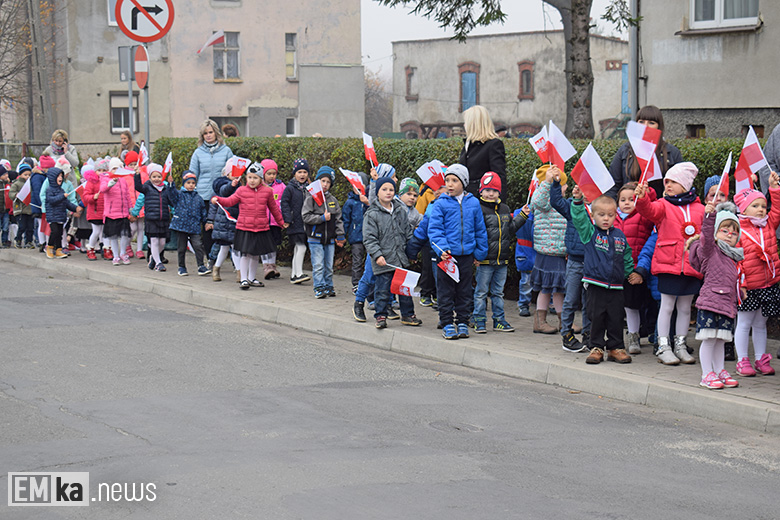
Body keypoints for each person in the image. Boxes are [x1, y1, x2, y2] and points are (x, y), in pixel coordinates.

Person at [635, 162, 704, 365]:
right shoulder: (664, 205)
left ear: (685, 184)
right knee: (666, 306)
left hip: (691, 266)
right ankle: (663, 346)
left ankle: (680, 344)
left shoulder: (700, 209)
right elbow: (648, 210)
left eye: (674, 181)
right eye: (667, 182)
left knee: (684, 308)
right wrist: (642, 196)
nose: (668, 185)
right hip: (667, 264)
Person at [571, 193, 635, 364]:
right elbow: (578, 219)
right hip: (595, 284)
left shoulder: (619, 235)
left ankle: (616, 348)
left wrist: (627, 273)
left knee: (616, 317)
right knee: (596, 317)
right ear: (592, 215)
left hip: (616, 286)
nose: (606, 219)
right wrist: (577, 201)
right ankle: (596, 347)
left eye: (610, 215)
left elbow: (627, 255)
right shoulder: (589, 233)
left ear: (616, 215)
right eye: (601, 215)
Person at [427, 164, 488, 340]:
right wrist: (442, 249)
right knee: (446, 291)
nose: (450, 184)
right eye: (447, 180)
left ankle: (462, 321)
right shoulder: (440, 203)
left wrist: (479, 253)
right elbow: (435, 229)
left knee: (464, 290)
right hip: (447, 256)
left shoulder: (474, 203)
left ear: (464, 182)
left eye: (454, 180)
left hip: (466, 256)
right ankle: (446, 323)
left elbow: (480, 229)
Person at [687, 201, 743, 389]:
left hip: (727, 304)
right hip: (710, 302)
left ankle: (719, 370)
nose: (729, 235)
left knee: (721, 340)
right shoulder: (711, 251)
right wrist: (709, 217)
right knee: (709, 340)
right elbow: (706, 239)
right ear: (716, 232)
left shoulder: (733, 256)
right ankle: (706, 374)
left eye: (734, 232)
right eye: (725, 230)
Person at [211, 162, 286, 290]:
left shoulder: (267, 192)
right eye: (250, 177)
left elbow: (274, 208)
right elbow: (230, 201)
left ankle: (252, 278)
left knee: (255, 255)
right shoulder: (241, 190)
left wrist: (281, 222)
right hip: (245, 227)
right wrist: (218, 199)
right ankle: (243, 279)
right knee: (245, 254)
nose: (252, 181)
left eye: (255, 178)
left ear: (261, 179)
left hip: (261, 228)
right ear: (246, 178)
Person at [732, 181, 780, 377]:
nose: (761, 210)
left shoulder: (768, 223)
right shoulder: (737, 229)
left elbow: (776, 209)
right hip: (748, 286)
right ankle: (742, 359)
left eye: (762, 206)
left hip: (767, 284)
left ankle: (761, 358)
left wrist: (774, 190)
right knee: (744, 323)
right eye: (755, 206)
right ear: (744, 208)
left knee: (761, 323)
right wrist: (741, 283)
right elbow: (736, 259)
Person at [472, 172, 528, 333]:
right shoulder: (478, 209)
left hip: (501, 260)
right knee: (481, 293)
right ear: (481, 191)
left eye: (495, 190)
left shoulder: (504, 208)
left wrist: (522, 216)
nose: (491, 194)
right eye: (488, 190)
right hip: (484, 261)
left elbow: (509, 230)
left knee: (498, 293)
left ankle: (499, 320)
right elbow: (475, 233)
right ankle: (479, 320)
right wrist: (476, 254)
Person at [362, 177, 421, 329]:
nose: (388, 193)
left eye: (391, 190)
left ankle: (407, 314)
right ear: (378, 192)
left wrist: (412, 251)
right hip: (384, 260)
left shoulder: (400, 211)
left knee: (404, 289)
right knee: (382, 290)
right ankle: (381, 315)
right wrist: (377, 255)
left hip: (401, 258)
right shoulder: (372, 214)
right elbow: (369, 238)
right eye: (384, 189)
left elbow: (407, 233)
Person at [549, 171, 590, 351]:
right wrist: (556, 184)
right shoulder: (573, 206)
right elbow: (556, 202)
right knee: (571, 299)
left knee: (589, 301)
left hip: (593, 263)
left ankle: (589, 334)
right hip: (574, 261)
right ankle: (566, 334)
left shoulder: (599, 210)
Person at [606, 105, 683, 199]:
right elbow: (613, 185)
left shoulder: (672, 153)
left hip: (659, 208)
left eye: (651, 123)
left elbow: (680, 186)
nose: (645, 126)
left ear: (659, 126)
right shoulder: (625, 150)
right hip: (629, 210)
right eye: (641, 122)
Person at [614, 182, 655, 354]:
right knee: (616, 306)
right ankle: (614, 338)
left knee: (632, 306)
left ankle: (633, 336)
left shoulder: (642, 216)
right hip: (614, 271)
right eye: (623, 200)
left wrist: (647, 193)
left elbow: (652, 207)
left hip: (634, 270)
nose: (627, 203)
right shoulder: (611, 218)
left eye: (631, 199)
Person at [529, 164, 568, 334]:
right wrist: (547, 182)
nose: (566, 187)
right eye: (562, 184)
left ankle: (563, 321)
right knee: (546, 288)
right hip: (547, 251)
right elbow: (537, 200)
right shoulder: (544, 202)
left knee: (559, 289)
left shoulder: (561, 203)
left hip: (560, 251)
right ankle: (540, 321)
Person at [188, 119, 233, 255]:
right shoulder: (198, 153)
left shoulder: (226, 151)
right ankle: (209, 257)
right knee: (207, 228)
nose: (208, 135)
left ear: (216, 133)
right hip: (204, 196)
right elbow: (192, 174)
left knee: (224, 228)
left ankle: (223, 257)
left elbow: (232, 172)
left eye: (210, 132)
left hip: (222, 196)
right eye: (205, 133)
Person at [301, 166, 346, 298]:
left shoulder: (332, 200)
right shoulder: (311, 198)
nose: (325, 184)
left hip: (330, 239)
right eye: (323, 181)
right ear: (317, 182)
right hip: (315, 238)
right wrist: (321, 218)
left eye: (328, 182)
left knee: (328, 265)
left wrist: (340, 234)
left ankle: (328, 285)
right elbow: (305, 216)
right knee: (318, 264)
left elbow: (338, 219)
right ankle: (319, 287)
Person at [458, 105, 506, 198]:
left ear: (473, 124)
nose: (464, 125)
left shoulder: (493, 145)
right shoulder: (468, 145)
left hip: (484, 200)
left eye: (466, 122)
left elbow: (499, 178)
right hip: (467, 199)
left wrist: (499, 204)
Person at [134, 163, 175, 272]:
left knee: (162, 243)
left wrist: (171, 186)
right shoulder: (147, 187)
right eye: (154, 176)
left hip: (163, 219)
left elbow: (172, 202)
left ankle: (153, 258)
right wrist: (137, 175)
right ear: (150, 177)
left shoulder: (166, 188)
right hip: (151, 219)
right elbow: (138, 187)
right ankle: (158, 263)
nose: (156, 179)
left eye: (159, 176)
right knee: (154, 242)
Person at [170, 171, 210, 277]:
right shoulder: (179, 195)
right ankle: (182, 267)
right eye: (188, 183)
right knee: (181, 248)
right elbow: (171, 195)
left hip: (194, 226)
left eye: (193, 183)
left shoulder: (198, 198)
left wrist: (205, 222)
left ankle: (201, 266)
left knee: (198, 246)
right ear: (184, 184)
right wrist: (171, 185)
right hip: (181, 226)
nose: (191, 185)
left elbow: (203, 212)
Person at [208, 168, 241, 282]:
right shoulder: (222, 184)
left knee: (231, 248)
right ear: (227, 174)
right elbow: (224, 191)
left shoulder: (240, 187)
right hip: (224, 221)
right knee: (227, 248)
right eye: (233, 173)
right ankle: (235, 272)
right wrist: (232, 185)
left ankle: (221, 269)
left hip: (235, 221)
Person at [281, 158, 311, 284]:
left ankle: (294, 274)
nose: (302, 175)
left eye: (305, 172)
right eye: (299, 172)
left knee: (298, 249)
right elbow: (284, 203)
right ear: (294, 174)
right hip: (294, 222)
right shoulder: (290, 188)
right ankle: (298, 273)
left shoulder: (309, 188)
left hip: (306, 223)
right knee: (301, 247)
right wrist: (288, 218)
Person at [101, 157, 134, 266]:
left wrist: (130, 208)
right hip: (111, 213)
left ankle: (123, 253)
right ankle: (115, 256)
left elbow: (127, 195)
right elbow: (103, 189)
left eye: (119, 168)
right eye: (114, 168)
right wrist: (111, 183)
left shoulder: (123, 180)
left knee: (125, 235)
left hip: (123, 212)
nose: (116, 171)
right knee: (113, 236)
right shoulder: (105, 179)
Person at [44, 167, 82, 259]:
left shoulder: (61, 191)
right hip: (52, 216)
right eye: (58, 176)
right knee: (54, 232)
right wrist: (62, 196)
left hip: (61, 215)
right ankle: (49, 247)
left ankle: (58, 250)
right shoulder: (49, 190)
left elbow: (67, 203)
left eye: (61, 176)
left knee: (59, 234)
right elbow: (52, 200)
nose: (60, 178)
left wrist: (75, 208)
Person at [342, 173, 370, 292]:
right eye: (355, 186)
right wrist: (342, 235)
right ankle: (356, 284)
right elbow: (345, 220)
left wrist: (367, 203)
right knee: (357, 261)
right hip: (356, 236)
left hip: (370, 236)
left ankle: (369, 283)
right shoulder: (350, 202)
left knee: (370, 261)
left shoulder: (370, 200)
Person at [260, 159, 285, 279]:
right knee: (264, 244)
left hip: (275, 221)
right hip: (262, 221)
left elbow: (284, 201)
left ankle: (272, 265)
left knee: (273, 244)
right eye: (269, 174)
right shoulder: (259, 186)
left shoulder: (280, 186)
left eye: (274, 174)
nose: (271, 176)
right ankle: (266, 266)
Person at [513, 207, 535, 317]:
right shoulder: (520, 212)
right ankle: (523, 304)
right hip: (526, 252)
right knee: (526, 281)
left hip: (541, 252)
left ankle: (552, 303)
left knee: (549, 279)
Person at [10, 164, 34, 248]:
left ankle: (29, 241)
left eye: (29, 175)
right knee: (22, 226)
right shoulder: (16, 184)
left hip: (30, 209)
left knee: (30, 227)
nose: (27, 176)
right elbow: (11, 193)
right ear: (20, 175)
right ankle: (18, 240)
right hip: (20, 209)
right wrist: (16, 195)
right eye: (25, 174)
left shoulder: (31, 183)